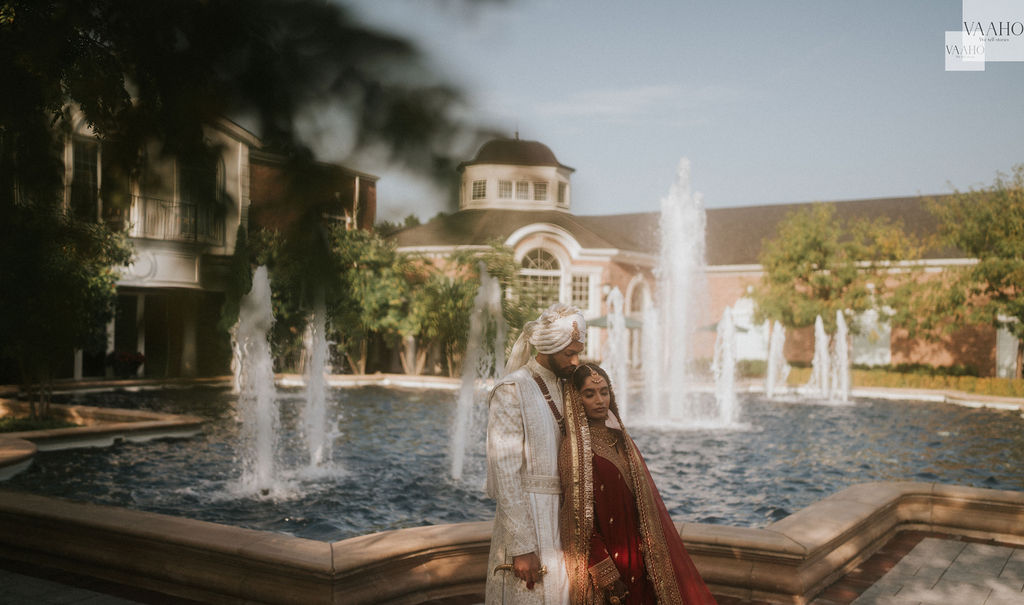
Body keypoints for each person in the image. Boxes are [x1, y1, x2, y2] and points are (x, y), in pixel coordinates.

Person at [559, 363, 717, 605]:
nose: (600, 400)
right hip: (608, 562)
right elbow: (577, 521)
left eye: (604, 392)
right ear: (576, 399)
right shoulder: (573, 449)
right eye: (589, 394)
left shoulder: (621, 439)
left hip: (639, 556)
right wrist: (607, 576)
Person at [485, 303, 588, 605]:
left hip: (566, 522)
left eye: (578, 352)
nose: (576, 360)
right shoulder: (512, 389)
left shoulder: (569, 387)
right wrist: (522, 547)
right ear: (548, 348)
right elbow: (506, 474)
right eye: (568, 353)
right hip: (529, 520)